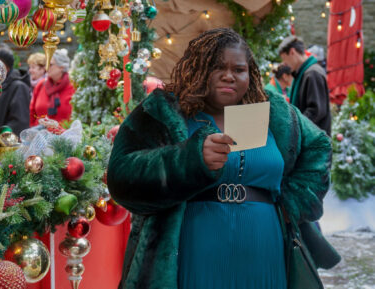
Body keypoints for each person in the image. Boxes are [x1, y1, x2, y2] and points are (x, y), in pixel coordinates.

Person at [107, 28, 332, 289]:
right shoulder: (164, 111)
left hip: (265, 251)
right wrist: (188, 159)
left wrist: (294, 203)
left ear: (250, 73)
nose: (229, 76)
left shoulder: (274, 113)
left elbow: (319, 148)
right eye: (217, 67)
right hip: (193, 251)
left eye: (239, 69)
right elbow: (121, 174)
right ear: (198, 69)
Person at [278, 35, 331, 136]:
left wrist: (294, 126)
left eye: (284, 59)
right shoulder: (304, 73)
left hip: (315, 142)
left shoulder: (312, 73)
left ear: (292, 52)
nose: (285, 64)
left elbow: (316, 111)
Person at [0, 47, 30, 135]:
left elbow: (19, 123)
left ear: (5, 67)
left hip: (7, 145)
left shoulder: (19, 87)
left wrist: (0, 139)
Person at [29, 49, 75, 127]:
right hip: (39, 136)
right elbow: (32, 112)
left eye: (50, 64)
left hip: (64, 136)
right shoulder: (41, 85)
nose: (46, 68)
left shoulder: (73, 87)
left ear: (62, 67)